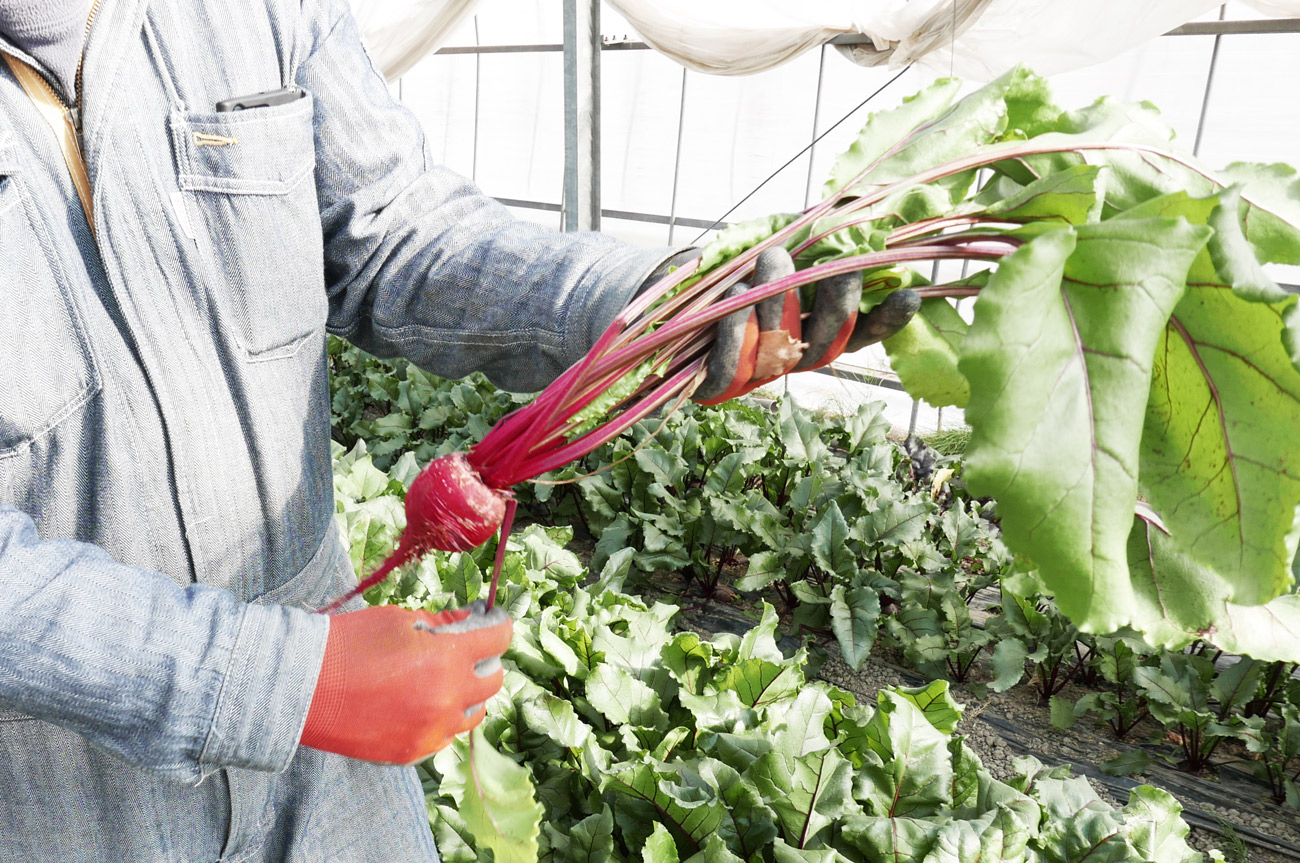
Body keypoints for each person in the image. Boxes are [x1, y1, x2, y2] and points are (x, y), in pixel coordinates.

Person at [0, 1, 914, 860]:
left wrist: (649, 310)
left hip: (330, 751)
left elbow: (394, 233)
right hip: (57, 782)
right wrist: (279, 681)